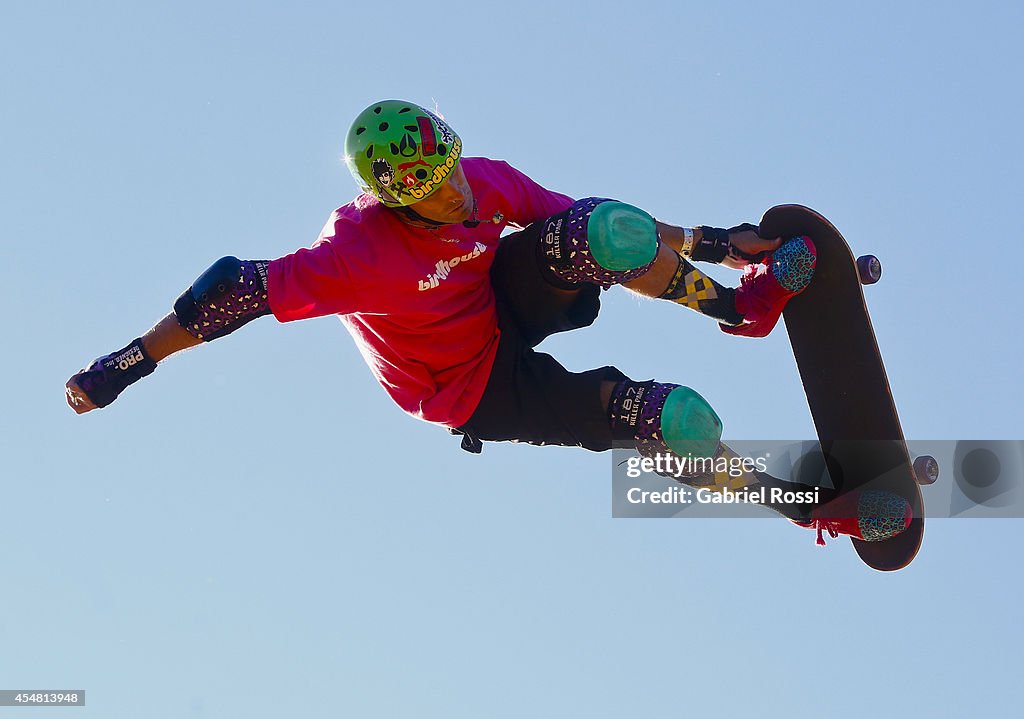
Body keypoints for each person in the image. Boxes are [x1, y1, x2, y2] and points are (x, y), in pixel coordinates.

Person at [65, 100, 911, 545]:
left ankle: (744, 310)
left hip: (503, 301)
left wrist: (722, 244)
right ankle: (811, 508)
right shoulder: (351, 253)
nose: (458, 194)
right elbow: (234, 289)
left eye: (451, 167)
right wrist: (133, 360)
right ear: (396, 200)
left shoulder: (482, 180)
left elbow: (616, 229)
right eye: (433, 190)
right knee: (676, 420)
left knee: (599, 228)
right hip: (471, 386)